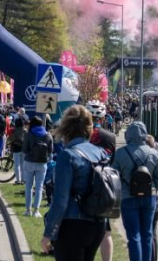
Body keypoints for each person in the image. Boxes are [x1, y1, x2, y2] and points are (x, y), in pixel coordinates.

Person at [42, 105, 108, 260]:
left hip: (73, 224)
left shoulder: (68, 156)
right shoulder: (101, 153)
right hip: (98, 224)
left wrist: (48, 233)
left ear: (66, 128)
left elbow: (60, 201)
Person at [112, 122, 158, 261]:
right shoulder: (153, 153)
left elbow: (113, 177)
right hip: (149, 198)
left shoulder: (120, 153)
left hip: (128, 198)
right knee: (147, 234)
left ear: (128, 134)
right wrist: (152, 187)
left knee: (134, 235)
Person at [89, 104, 117, 261]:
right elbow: (112, 162)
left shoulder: (83, 134)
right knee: (106, 230)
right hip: (104, 185)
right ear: (103, 118)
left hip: (84, 185)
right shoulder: (110, 137)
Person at [22, 116, 53, 217]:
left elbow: (24, 149)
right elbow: (50, 151)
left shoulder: (29, 134)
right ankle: (36, 210)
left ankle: (28, 210)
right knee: (39, 187)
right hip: (42, 163)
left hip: (29, 162)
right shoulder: (48, 134)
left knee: (28, 187)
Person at [9, 112, 27, 185]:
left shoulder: (14, 130)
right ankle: (23, 180)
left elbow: (11, 138)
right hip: (24, 149)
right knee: (23, 165)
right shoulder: (25, 131)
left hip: (16, 148)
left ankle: (18, 180)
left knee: (17, 165)